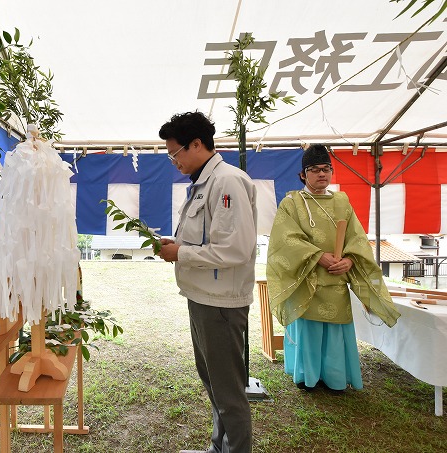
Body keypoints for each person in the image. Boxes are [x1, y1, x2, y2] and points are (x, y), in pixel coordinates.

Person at [157, 111, 256, 453]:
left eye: (176, 153)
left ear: (197, 144)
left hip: (221, 305)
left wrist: (180, 254)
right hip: (202, 298)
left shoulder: (228, 182)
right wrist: (177, 246)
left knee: (228, 391)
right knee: (213, 383)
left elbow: (235, 249)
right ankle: (220, 447)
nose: (174, 161)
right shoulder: (204, 183)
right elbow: (205, 239)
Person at [266, 144, 400, 393]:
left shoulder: (342, 201)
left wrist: (349, 260)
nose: (322, 174)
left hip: (337, 278)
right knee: (310, 330)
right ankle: (308, 377)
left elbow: (356, 237)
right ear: (303, 175)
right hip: (307, 279)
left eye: (326, 169)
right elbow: (285, 241)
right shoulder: (291, 203)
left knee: (336, 331)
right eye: (315, 170)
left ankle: (336, 379)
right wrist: (318, 256)